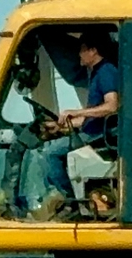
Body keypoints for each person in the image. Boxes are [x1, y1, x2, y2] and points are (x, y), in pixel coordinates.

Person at [32, 33, 120, 220]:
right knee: (49, 147)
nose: (78, 55)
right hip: (93, 131)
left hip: (100, 136)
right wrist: (60, 127)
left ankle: (71, 201)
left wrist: (77, 112)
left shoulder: (106, 71)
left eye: (81, 50)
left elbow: (111, 106)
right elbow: (90, 119)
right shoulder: (96, 73)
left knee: (50, 154)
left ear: (93, 51)